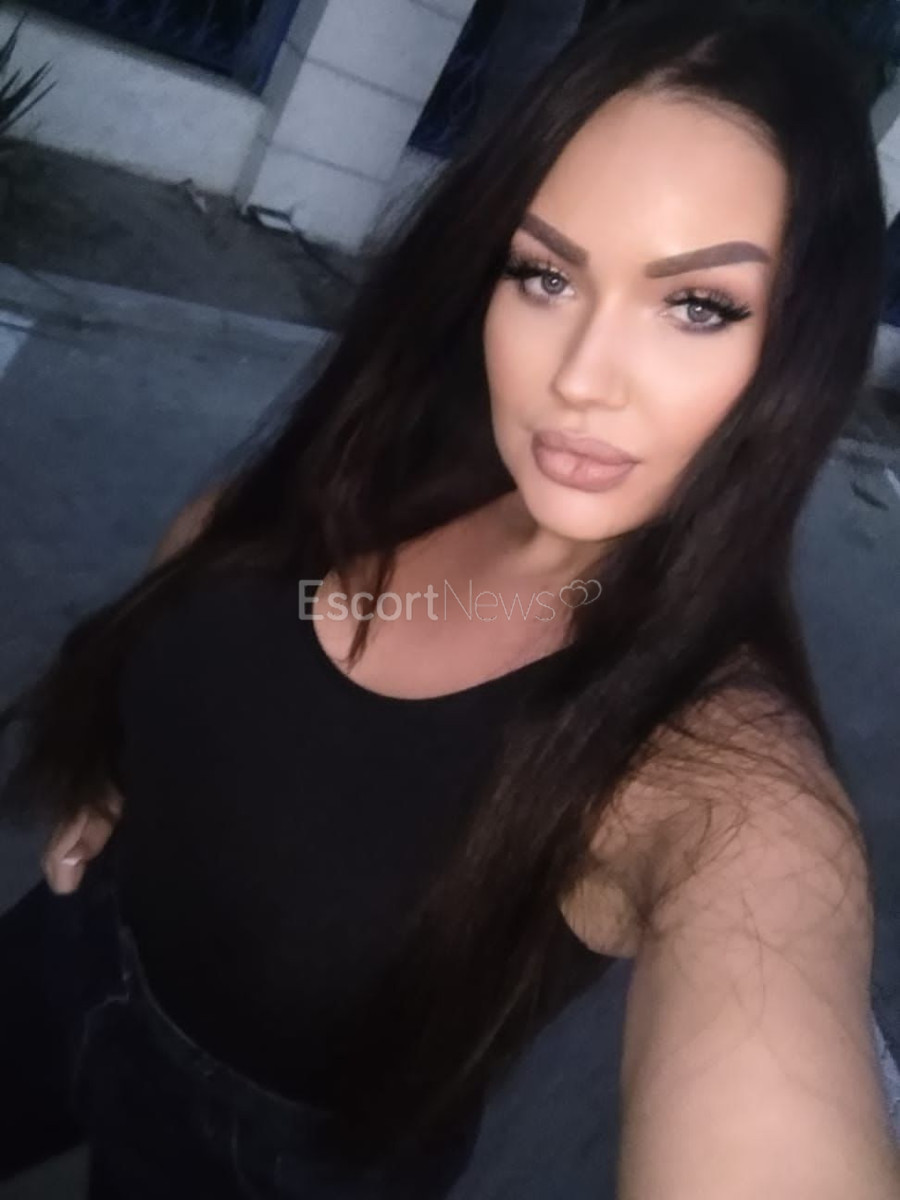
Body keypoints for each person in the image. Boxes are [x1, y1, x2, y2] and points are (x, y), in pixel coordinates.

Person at [2, 0, 899, 1195]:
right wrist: (124, 764)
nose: (581, 378)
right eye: (545, 274)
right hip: (63, 949)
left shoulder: (713, 778)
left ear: (799, 347)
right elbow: (213, 570)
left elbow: (771, 1008)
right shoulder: (400, 461)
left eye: (697, 305)